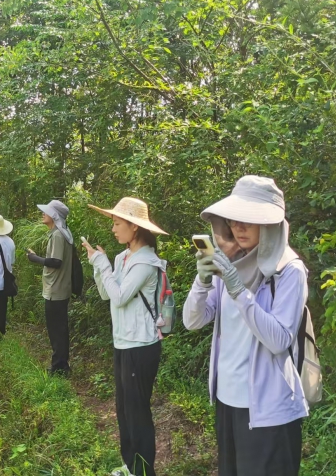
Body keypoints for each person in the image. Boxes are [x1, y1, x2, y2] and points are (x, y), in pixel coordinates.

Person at [182, 176, 309, 476]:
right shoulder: (230, 261)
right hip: (228, 401)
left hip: (269, 412)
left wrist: (239, 289)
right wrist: (201, 281)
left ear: (270, 225)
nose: (238, 227)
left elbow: (279, 340)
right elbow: (192, 320)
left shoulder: (289, 271)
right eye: (234, 219)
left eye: (249, 220)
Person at [83, 197, 167, 476]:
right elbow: (107, 293)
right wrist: (99, 265)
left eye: (117, 223)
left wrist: (102, 263)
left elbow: (119, 298)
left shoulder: (146, 262)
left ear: (134, 227)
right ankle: (131, 466)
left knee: (138, 412)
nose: (113, 228)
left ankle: (144, 472)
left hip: (141, 345)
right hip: (122, 341)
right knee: (123, 410)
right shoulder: (123, 258)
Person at [25, 199, 74, 376]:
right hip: (58, 288)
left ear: (54, 216)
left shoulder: (58, 235)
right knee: (59, 328)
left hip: (56, 289)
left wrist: (34, 258)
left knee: (56, 330)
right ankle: (61, 364)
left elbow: (56, 262)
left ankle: (59, 367)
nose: (43, 213)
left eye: (46, 211)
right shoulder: (61, 233)